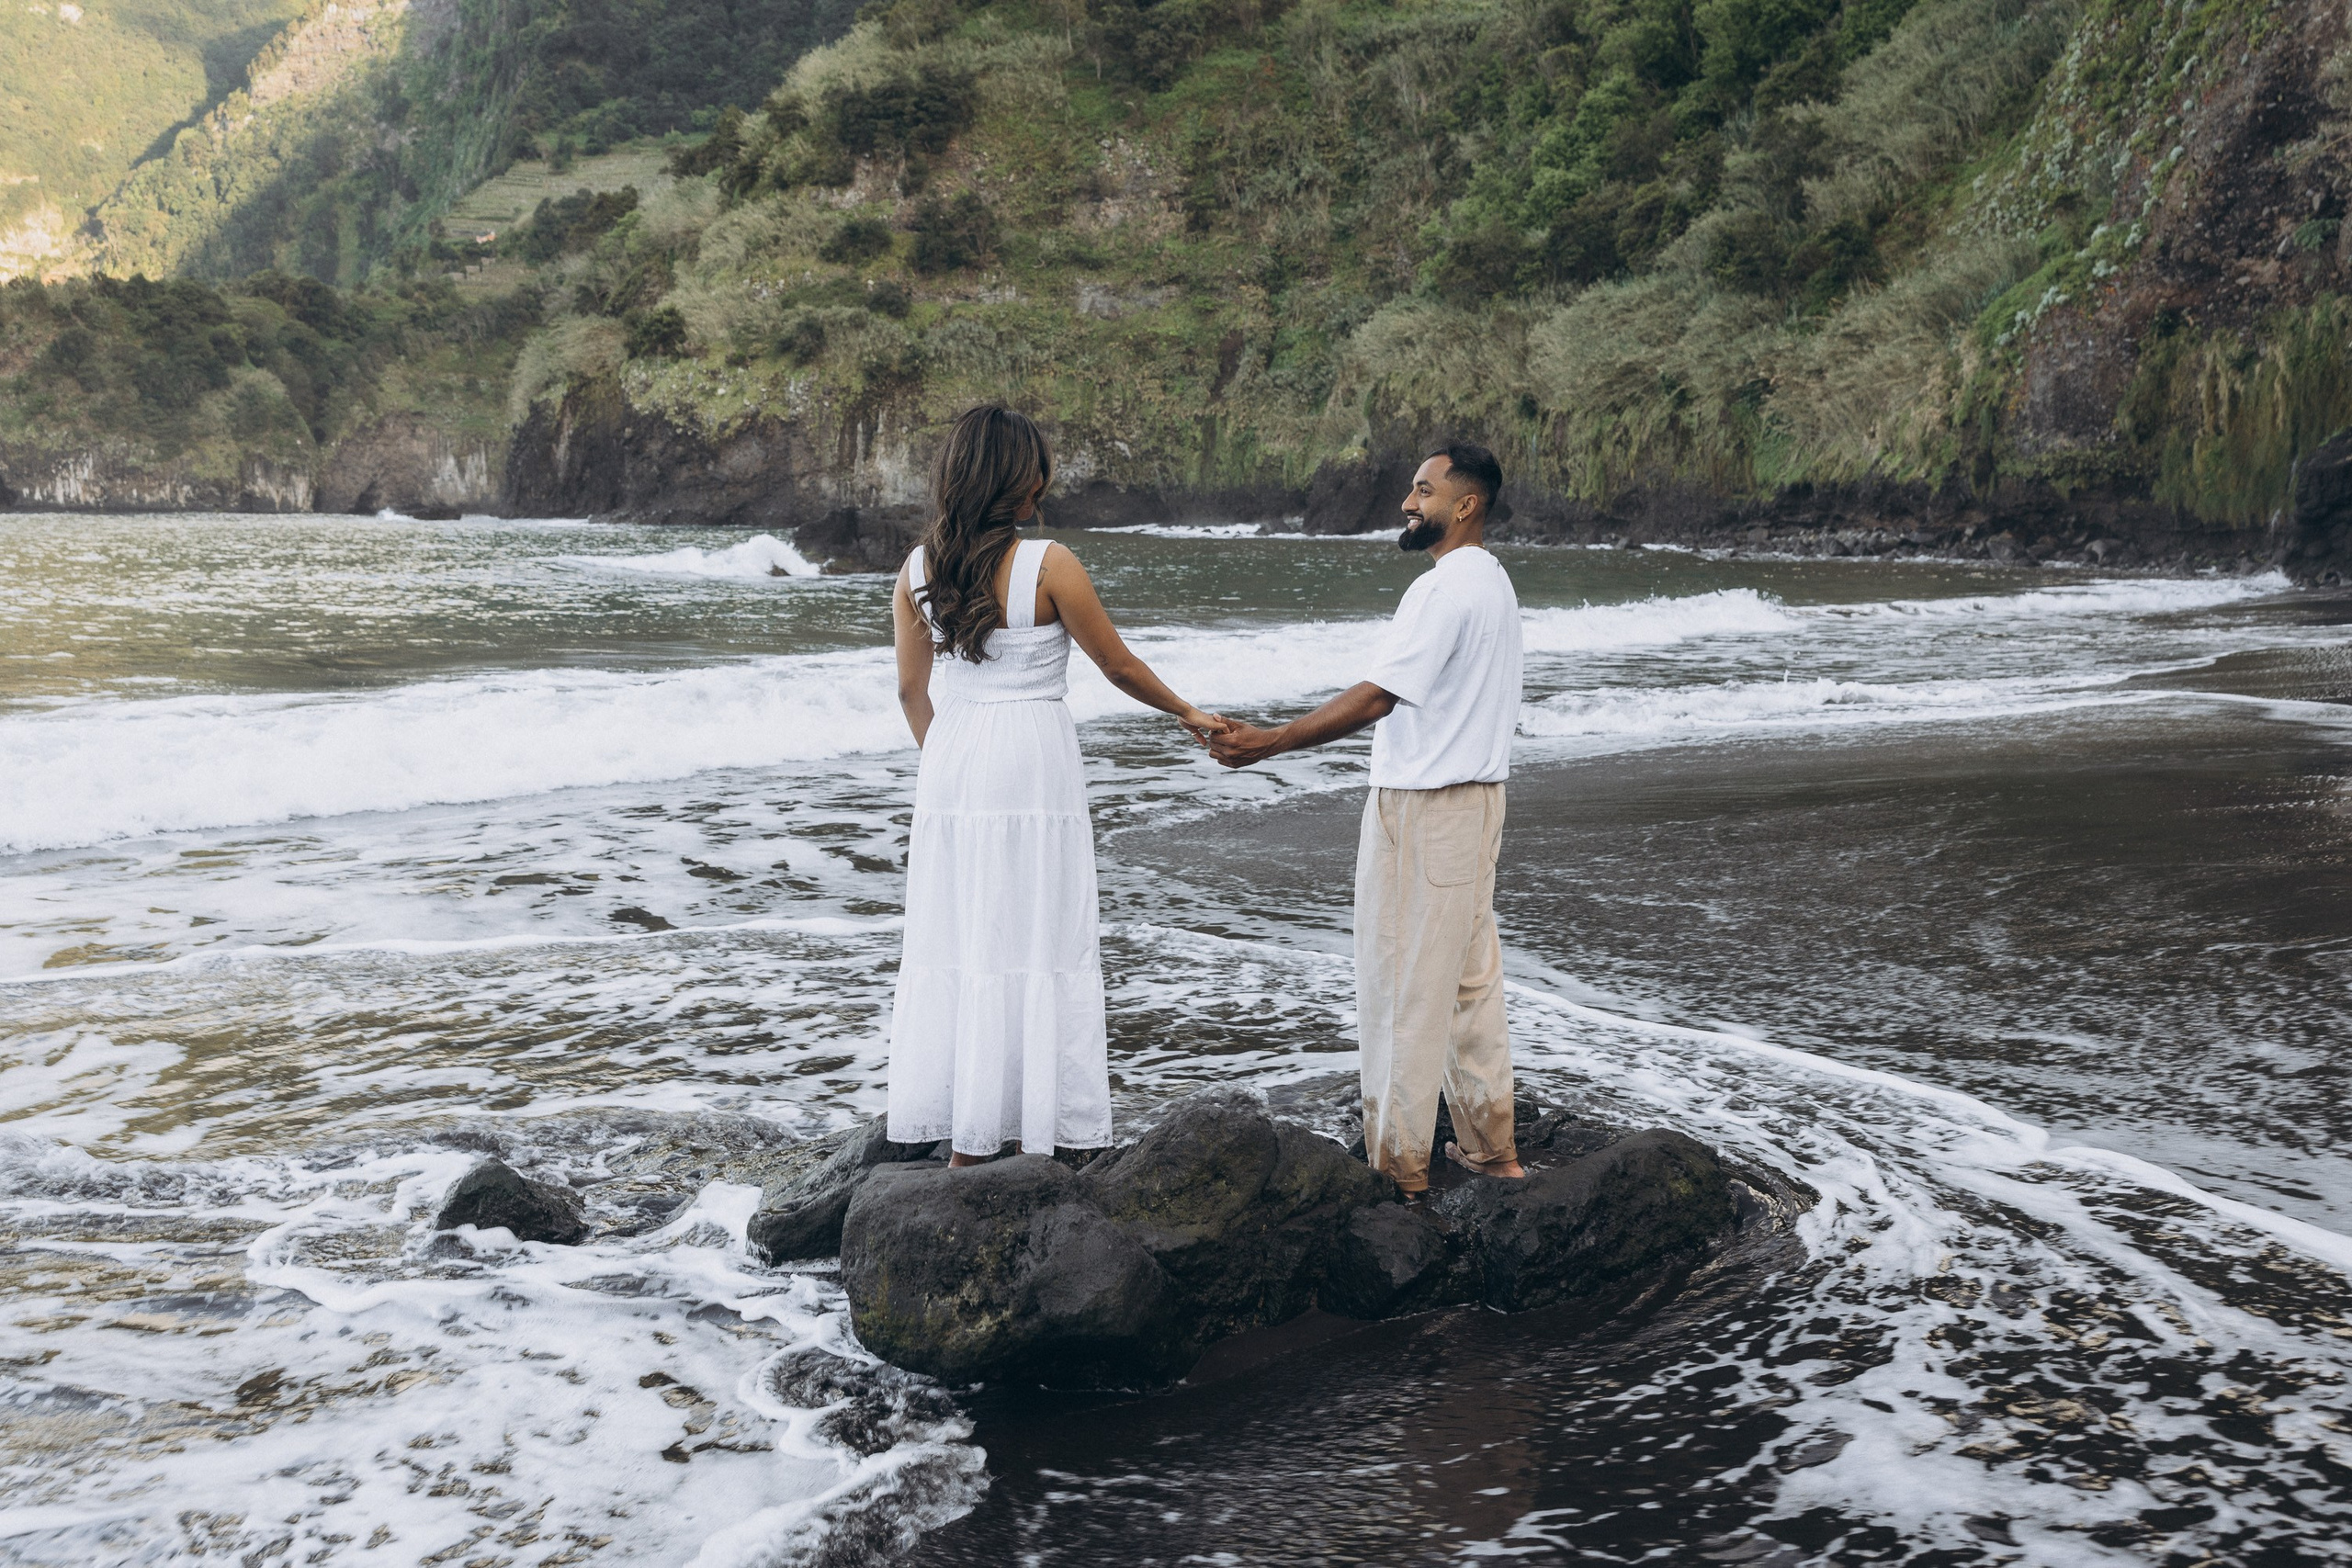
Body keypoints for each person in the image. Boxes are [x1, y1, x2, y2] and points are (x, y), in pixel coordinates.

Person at [888, 405, 1224, 1167]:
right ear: (1017, 477)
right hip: (1030, 756)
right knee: (1036, 930)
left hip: (952, 759)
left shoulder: (916, 570)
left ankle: (968, 1130)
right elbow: (1118, 666)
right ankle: (1024, 1129)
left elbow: (911, 691)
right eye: (1038, 469)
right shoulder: (1050, 564)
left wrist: (951, 772)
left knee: (965, 933)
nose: (1046, 482)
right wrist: (1187, 711)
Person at [1207, 442, 1524, 1197]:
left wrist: (1271, 741)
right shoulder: (1494, 581)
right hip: (1479, 801)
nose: (1408, 504)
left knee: (1401, 990)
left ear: (1466, 504)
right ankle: (1493, 1154)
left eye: (1424, 491)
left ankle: (1399, 1175)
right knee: (1469, 984)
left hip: (1424, 807)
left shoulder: (1441, 590)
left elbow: (1381, 694)